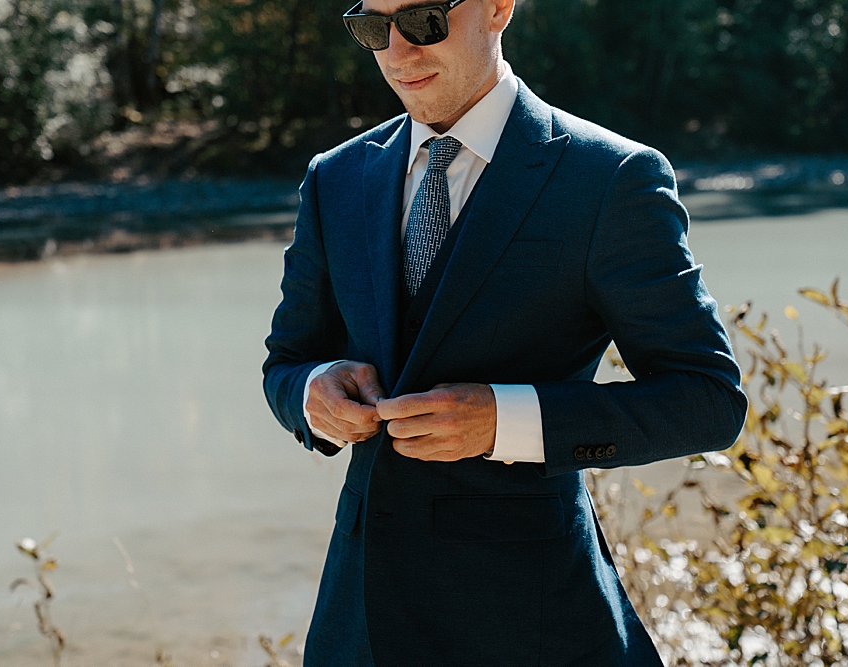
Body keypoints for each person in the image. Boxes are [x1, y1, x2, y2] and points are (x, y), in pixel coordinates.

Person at [263, 0, 748, 664]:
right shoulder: (334, 179)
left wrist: (505, 421)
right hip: (359, 623)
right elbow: (287, 362)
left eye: (424, 20)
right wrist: (314, 393)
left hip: (534, 620)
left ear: (497, 7)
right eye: (373, 28)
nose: (397, 53)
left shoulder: (610, 180)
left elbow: (708, 400)